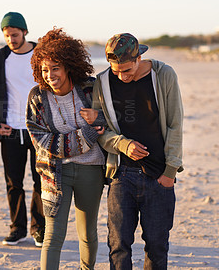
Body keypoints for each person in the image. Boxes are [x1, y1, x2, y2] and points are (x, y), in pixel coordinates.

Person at [92, 33, 183, 268]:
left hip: (159, 176)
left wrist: (169, 172)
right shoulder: (102, 83)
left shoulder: (163, 76)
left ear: (139, 57)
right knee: (118, 245)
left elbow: (175, 124)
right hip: (121, 175)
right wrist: (123, 144)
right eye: (116, 70)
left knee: (156, 246)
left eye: (127, 70)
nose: (121, 76)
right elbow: (99, 129)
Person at [26, 27, 106, 269]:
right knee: (52, 235)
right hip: (53, 172)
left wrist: (99, 117)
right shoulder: (37, 97)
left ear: (68, 66)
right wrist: (89, 133)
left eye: (55, 68)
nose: (50, 75)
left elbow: (113, 120)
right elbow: (44, 141)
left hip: (91, 170)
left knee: (87, 233)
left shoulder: (91, 89)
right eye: (44, 70)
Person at [0, 12, 45, 246]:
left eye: (15, 34)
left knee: (40, 181)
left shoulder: (41, 54)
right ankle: (17, 228)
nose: (11, 39)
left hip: (39, 130)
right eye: (7, 35)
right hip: (11, 130)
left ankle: (38, 229)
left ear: (25, 32)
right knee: (14, 183)